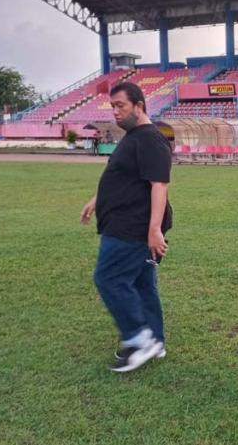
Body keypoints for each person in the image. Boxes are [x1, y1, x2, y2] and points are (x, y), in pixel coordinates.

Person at [80, 82, 172, 373]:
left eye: (121, 105)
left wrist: (154, 230)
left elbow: (159, 185)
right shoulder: (133, 137)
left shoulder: (150, 139)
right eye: (113, 106)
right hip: (127, 222)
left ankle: (139, 338)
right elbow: (124, 176)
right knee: (143, 283)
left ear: (139, 105)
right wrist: (96, 200)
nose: (116, 112)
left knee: (109, 279)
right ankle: (154, 340)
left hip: (131, 227)